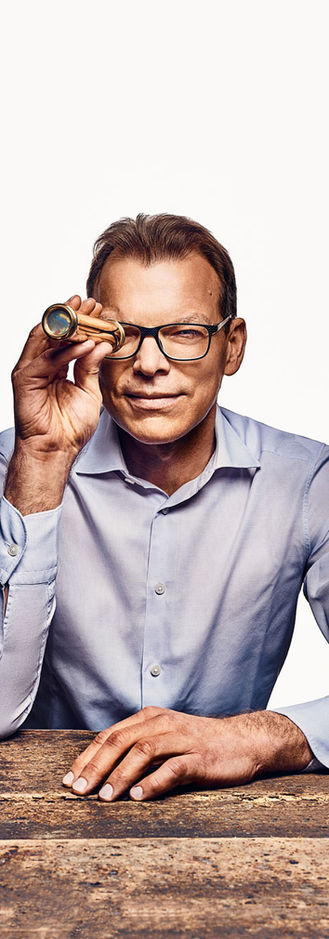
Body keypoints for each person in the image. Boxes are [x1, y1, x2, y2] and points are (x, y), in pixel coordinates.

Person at [0, 213, 327, 804]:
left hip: (235, 826)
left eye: (183, 332)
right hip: (39, 815)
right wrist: (41, 464)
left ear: (232, 347)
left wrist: (255, 740)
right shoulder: (17, 463)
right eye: (123, 334)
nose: (150, 364)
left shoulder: (306, 482)